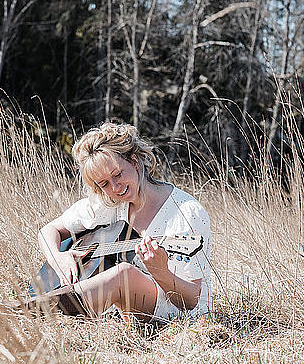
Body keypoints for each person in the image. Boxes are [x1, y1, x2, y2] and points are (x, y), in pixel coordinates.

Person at [37, 122, 212, 322]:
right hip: (127, 306)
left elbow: (191, 300)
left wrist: (161, 272)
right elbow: (48, 230)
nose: (115, 187)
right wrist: (57, 258)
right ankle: (36, 311)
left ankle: (30, 314)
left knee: (124, 274)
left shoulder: (186, 212)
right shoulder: (109, 204)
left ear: (134, 161)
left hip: (179, 313)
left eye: (118, 174)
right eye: (104, 184)